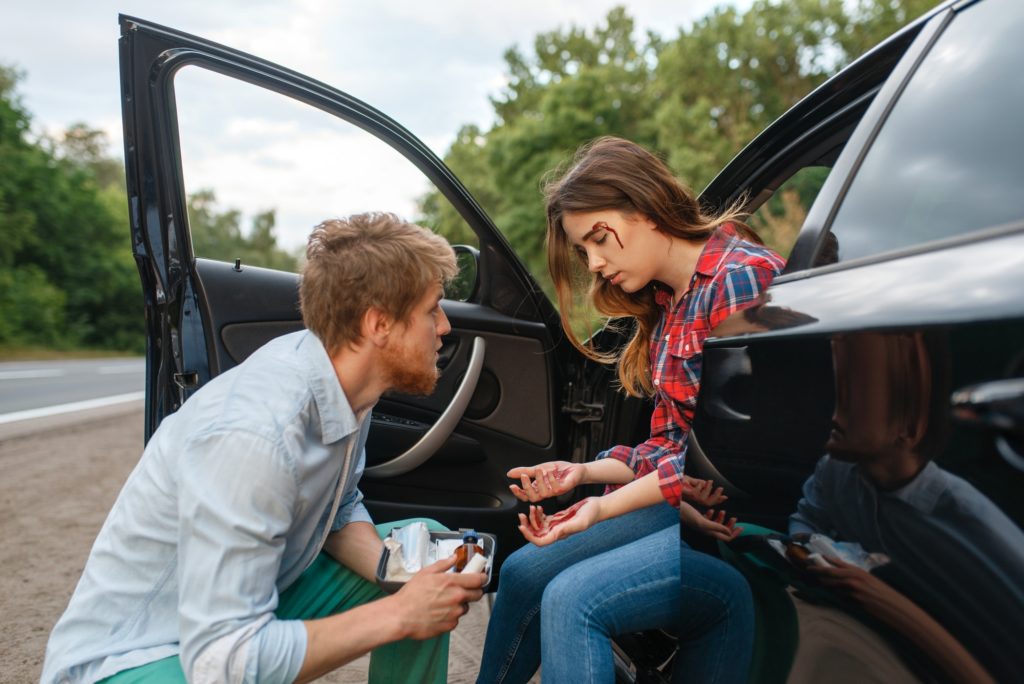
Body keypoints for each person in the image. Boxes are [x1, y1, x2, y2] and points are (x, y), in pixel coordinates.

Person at [41, 213, 487, 684]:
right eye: (432, 309)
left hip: (248, 610)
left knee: (427, 562)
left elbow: (337, 510)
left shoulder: (348, 382)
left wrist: (398, 574)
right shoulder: (256, 437)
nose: (443, 327)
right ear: (379, 324)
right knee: (411, 599)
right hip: (136, 661)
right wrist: (400, 614)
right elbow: (222, 663)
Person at [477, 137, 786, 684]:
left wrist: (600, 508)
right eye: (584, 249)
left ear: (644, 208)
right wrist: (584, 474)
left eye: (599, 238)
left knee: (572, 598)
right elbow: (671, 448)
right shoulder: (670, 302)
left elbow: (731, 459)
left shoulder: (739, 280)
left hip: (729, 523)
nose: (595, 262)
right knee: (523, 572)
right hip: (682, 505)